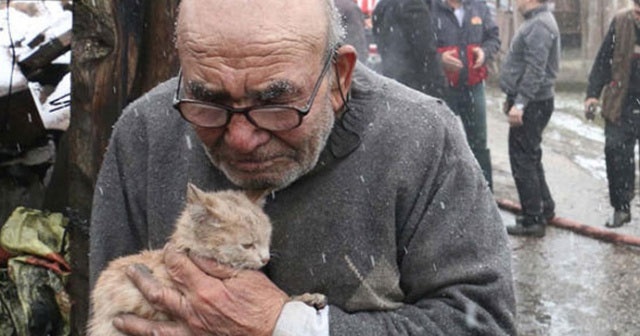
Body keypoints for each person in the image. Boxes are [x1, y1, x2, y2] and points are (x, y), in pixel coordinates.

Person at [89, 0, 517, 334]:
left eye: (276, 103)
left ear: (339, 78)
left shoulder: (422, 138)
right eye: (209, 101)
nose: (241, 138)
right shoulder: (144, 131)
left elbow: (482, 323)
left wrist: (287, 326)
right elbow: (105, 310)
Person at [499, 0, 560, 237]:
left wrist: (521, 103)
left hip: (533, 102)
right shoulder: (537, 22)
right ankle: (543, 207)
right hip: (532, 100)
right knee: (531, 155)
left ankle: (533, 219)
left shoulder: (540, 26)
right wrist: (513, 98)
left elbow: (536, 69)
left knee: (522, 158)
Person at [431, 0, 500, 189]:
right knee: (441, 144)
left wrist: (485, 52)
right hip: (443, 89)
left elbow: (493, 38)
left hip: (473, 86)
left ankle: (485, 194)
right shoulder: (431, 8)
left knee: (479, 143)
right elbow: (419, 46)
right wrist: (438, 59)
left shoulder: (479, 7)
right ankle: (445, 196)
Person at [584, 0, 640, 228]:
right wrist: (592, 94)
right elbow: (603, 60)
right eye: (637, 9)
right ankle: (621, 207)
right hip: (621, 101)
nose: (638, 13)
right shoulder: (620, 22)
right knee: (615, 150)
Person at [372, 0, 446, 98]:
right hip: (415, 85)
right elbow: (425, 51)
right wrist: (439, 84)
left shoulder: (383, 4)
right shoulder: (414, 5)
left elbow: (378, 36)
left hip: (392, 80)